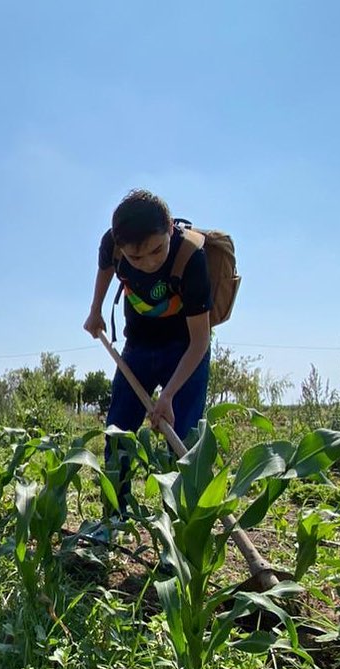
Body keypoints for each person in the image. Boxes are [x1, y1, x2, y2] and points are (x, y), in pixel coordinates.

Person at [83, 190, 212, 515]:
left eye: (157, 251)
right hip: (138, 346)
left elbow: (200, 341)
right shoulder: (112, 244)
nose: (150, 263)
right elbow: (105, 270)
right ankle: (115, 515)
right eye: (137, 259)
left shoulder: (191, 257)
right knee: (118, 432)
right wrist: (95, 310)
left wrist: (167, 395)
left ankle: (183, 526)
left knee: (185, 438)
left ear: (169, 227)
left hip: (184, 351)